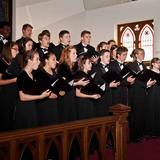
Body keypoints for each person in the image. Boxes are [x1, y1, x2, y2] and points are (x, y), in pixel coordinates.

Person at [14, 50, 51, 129]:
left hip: (33, 108)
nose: (39, 62)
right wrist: (41, 96)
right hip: (24, 110)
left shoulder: (34, 74)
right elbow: (22, 97)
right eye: (37, 59)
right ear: (29, 60)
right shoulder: (21, 75)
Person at [127, 48, 155, 142]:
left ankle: (141, 134)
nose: (143, 55)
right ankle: (134, 136)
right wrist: (145, 84)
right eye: (141, 53)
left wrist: (149, 83)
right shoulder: (131, 65)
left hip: (143, 92)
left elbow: (143, 78)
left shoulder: (143, 65)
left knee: (142, 113)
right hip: (134, 92)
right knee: (135, 115)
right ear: (136, 55)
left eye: (144, 53)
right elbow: (134, 80)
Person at [92, 49, 119, 117]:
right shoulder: (95, 68)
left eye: (109, 57)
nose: (109, 58)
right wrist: (109, 85)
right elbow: (95, 85)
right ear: (101, 57)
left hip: (111, 98)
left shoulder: (111, 68)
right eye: (106, 56)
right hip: (100, 99)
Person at [35, 52, 59, 126]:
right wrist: (50, 95)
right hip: (44, 103)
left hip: (54, 104)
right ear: (46, 60)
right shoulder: (39, 72)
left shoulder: (55, 73)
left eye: (56, 59)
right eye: (53, 60)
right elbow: (38, 88)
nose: (56, 62)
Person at [0, 42, 19, 131]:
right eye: (15, 49)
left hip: (13, 95)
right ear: (8, 49)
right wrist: (14, 80)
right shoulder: (1, 62)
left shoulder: (14, 62)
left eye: (18, 49)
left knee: (13, 123)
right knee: (5, 123)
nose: (17, 51)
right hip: (4, 96)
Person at [75, 55, 101, 120]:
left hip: (88, 102)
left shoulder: (87, 75)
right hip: (83, 104)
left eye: (91, 63)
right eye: (88, 63)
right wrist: (92, 96)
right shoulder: (80, 74)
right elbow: (77, 93)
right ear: (83, 64)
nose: (91, 65)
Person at [145, 58, 160, 137]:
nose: (159, 64)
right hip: (152, 93)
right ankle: (152, 131)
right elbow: (146, 85)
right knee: (152, 111)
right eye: (157, 63)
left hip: (159, 92)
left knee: (158, 110)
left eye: (159, 63)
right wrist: (150, 83)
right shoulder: (149, 72)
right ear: (153, 64)